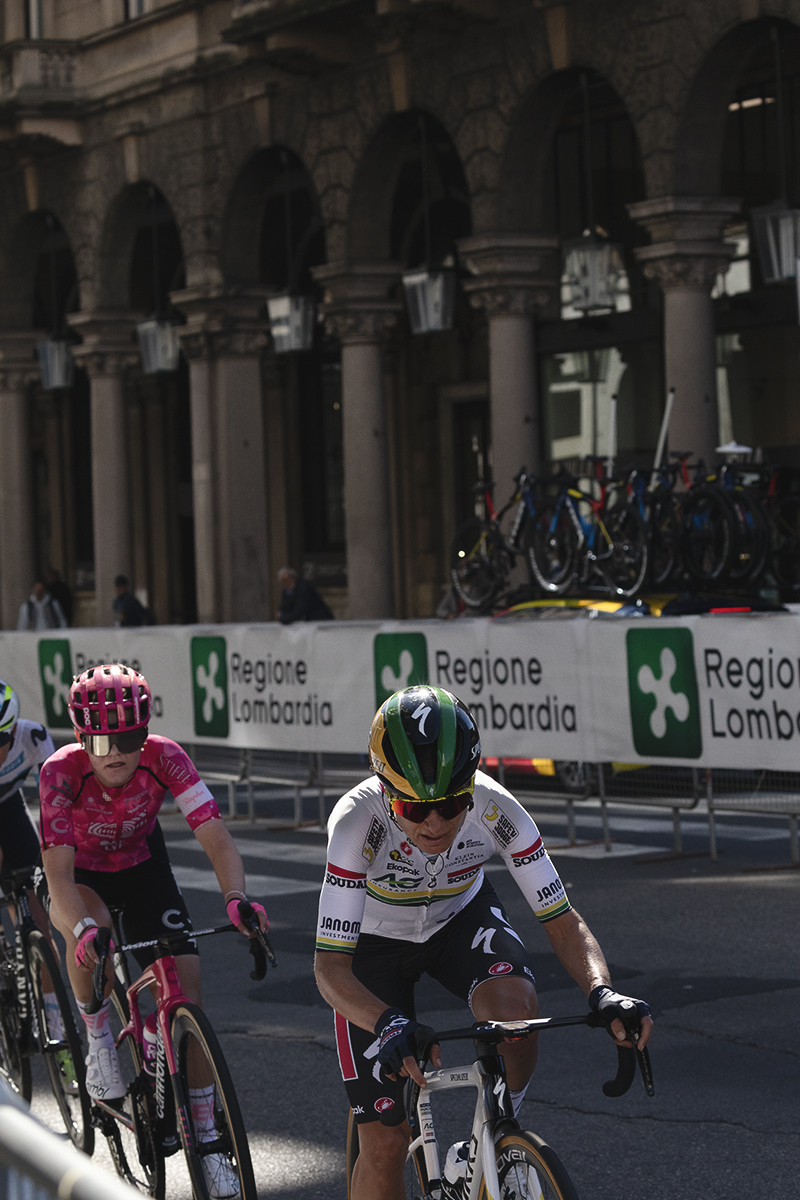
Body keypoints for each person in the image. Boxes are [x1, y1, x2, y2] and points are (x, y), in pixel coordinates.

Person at [314, 685, 653, 1200]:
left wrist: (604, 993)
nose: (434, 823)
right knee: (384, 1146)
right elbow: (330, 970)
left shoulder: (498, 810)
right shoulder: (356, 824)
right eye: (413, 809)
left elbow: (562, 923)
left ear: (470, 788)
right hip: (372, 946)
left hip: (458, 918)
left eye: (451, 804)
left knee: (517, 1017)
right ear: (385, 792)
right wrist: (388, 1022)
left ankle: (496, 1140)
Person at [39, 663, 267, 1199]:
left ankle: (207, 1140)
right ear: (80, 737)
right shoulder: (59, 773)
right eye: (101, 738)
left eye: (130, 736)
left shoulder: (166, 757)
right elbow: (59, 878)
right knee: (86, 935)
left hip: (143, 866)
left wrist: (236, 898)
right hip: (83, 875)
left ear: (146, 732)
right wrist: (82, 929)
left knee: (187, 985)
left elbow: (215, 834)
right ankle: (98, 1037)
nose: (116, 750)